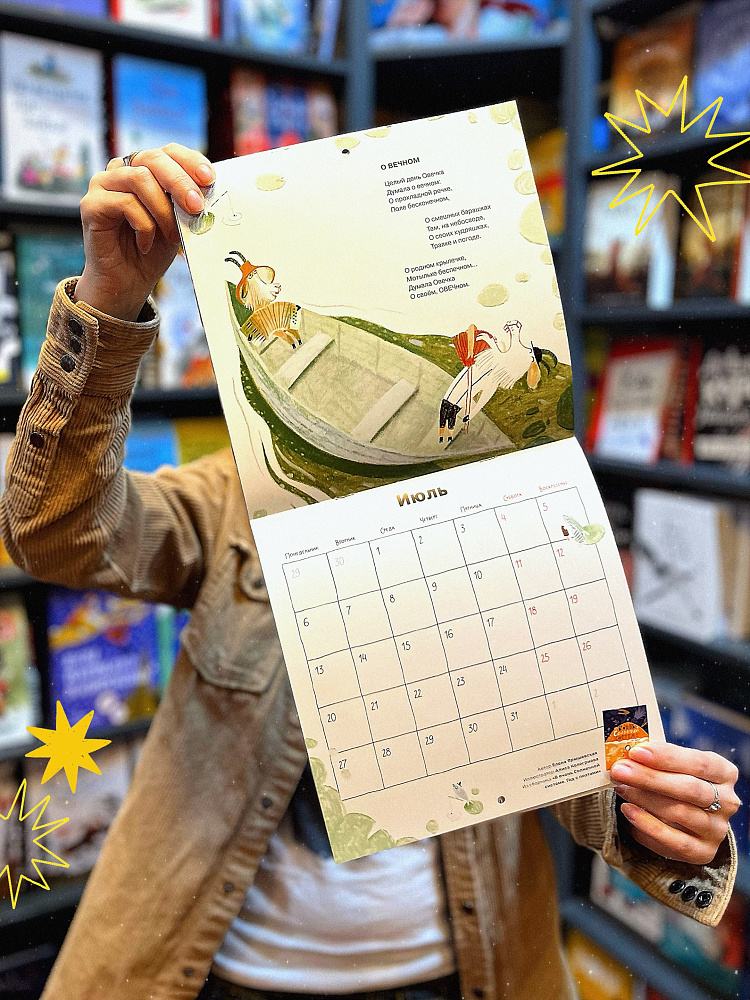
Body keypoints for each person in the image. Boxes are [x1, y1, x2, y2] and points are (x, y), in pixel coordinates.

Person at [0, 144, 740, 1000]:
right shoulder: (231, 498)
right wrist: (109, 306)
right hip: (224, 974)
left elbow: (577, 753)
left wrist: (659, 816)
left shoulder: (518, 508)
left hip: (466, 973)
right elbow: (54, 533)